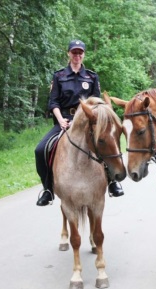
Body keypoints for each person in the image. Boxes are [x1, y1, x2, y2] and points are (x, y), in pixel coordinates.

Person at [35, 39, 125, 206]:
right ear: (68, 54)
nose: (77, 55)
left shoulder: (91, 76)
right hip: (65, 121)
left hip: (88, 122)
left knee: (106, 142)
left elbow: (97, 102)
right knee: (40, 150)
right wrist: (60, 120)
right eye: (74, 52)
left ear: (83, 55)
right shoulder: (59, 76)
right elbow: (53, 102)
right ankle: (48, 189)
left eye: (80, 52)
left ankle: (112, 182)